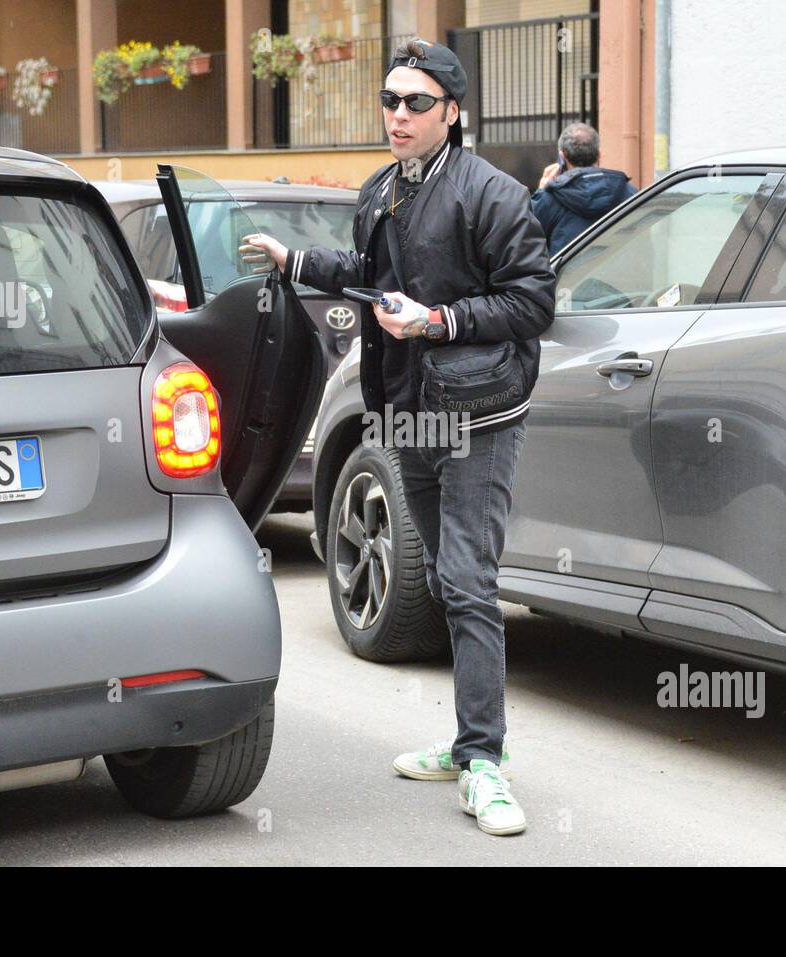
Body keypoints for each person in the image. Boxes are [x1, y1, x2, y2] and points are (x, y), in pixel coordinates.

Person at [240, 37, 555, 837]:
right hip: (410, 409)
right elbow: (370, 270)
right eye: (389, 100)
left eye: (416, 102)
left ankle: (485, 759)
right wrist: (298, 260)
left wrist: (440, 319)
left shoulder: (493, 194)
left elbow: (533, 300)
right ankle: (465, 741)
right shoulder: (383, 188)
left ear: (452, 112)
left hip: (479, 414)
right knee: (444, 580)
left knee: (468, 577)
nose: (398, 115)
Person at [531, 122, 636, 256]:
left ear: (562, 157)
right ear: (599, 155)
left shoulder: (549, 198)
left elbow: (527, 239)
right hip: (618, 275)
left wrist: (541, 192)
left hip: (567, 277)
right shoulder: (629, 193)